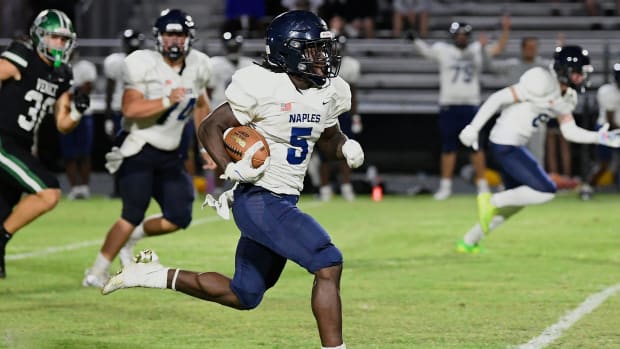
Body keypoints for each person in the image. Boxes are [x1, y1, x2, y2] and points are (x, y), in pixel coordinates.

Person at [102, 10, 364, 349]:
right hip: (260, 200)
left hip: (283, 200)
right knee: (328, 262)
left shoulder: (328, 91)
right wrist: (230, 167)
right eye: (314, 49)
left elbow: (328, 138)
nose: (322, 57)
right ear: (290, 51)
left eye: (322, 49)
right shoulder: (263, 85)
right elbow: (210, 126)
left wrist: (346, 146)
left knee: (244, 294)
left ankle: (149, 275)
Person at [82, 8, 215, 287]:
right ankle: (96, 271)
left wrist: (206, 148)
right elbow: (129, 108)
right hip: (139, 149)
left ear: (189, 38)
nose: (174, 41)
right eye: (169, 34)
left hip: (171, 154)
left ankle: (133, 238)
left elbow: (202, 105)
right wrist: (167, 99)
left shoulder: (200, 65)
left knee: (179, 216)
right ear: (158, 37)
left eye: (179, 35)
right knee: (131, 213)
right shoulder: (142, 62)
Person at [455, 46, 620, 253]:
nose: (580, 78)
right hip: (504, 143)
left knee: (516, 203)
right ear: (564, 70)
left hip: (514, 145)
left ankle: (469, 241)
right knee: (546, 190)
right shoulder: (541, 80)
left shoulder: (568, 97)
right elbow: (498, 98)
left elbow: (569, 131)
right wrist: (473, 127)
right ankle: (491, 199)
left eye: (582, 74)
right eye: (577, 72)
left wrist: (600, 137)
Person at [0, 9, 89, 278]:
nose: (59, 45)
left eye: (63, 39)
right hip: (3, 141)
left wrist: (76, 111)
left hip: (21, 147)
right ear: (39, 36)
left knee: (3, 211)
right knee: (49, 191)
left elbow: (63, 124)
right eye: (53, 38)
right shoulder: (22, 56)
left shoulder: (62, 74)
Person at [410, 17, 510, 200]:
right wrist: (414, 39)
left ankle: (482, 185)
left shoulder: (477, 50)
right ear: (453, 36)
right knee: (449, 147)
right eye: (459, 35)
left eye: (464, 35)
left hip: (471, 105)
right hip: (449, 105)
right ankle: (446, 186)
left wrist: (505, 30)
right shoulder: (443, 50)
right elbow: (426, 52)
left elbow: (496, 49)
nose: (462, 38)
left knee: (476, 147)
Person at [485, 36, 550, 165]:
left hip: (536, 117)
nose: (531, 50)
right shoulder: (513, 65)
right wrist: (485, 49)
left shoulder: (544, 67)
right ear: (522, 48)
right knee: (513, 155)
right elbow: (490, 66)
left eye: (533, 47)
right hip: (515, 119)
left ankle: (536, 184)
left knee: (537, 156)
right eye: (528, 47)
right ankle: (513, 183)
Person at [206, 31, 254, 195]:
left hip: (242, 114)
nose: (233, 49)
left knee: (246, 151)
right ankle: (218, 189)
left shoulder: (249, 65)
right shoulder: (214, 64)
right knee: (218, 151)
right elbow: (208, 91)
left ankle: (244, 187)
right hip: (221, 113)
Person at [318, 34, 361, 201]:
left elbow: (354, 93)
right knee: (323, 154)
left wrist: (356, 116)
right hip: (323, 111)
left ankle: (346, 186)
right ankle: (324, 188)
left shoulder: (350, 65)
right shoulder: (318, 63)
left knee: (346, 149)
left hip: (343, 112)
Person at [103, 29, 145, 198]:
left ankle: (138, 188)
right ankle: (118, 189)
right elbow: (109, 89)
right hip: (120, 111)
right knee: (118, 151)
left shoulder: (148, 62)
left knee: (140, 152)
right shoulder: (115, 62)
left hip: (140, 111)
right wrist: (107, 117)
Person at [580, 63, 620, 200]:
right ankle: (588, 187)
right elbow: (611, 119)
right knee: (604, 163)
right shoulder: (607, 91)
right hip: (606, 129)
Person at [60, 52, 97, 199]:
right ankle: (75, 188)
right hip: (65, 113)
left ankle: (84, 187)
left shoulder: (85, 66)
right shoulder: (58, 67)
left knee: (84, 153)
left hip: (84, 113)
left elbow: (86, 88)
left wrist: (68, 93)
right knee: (69, 154)